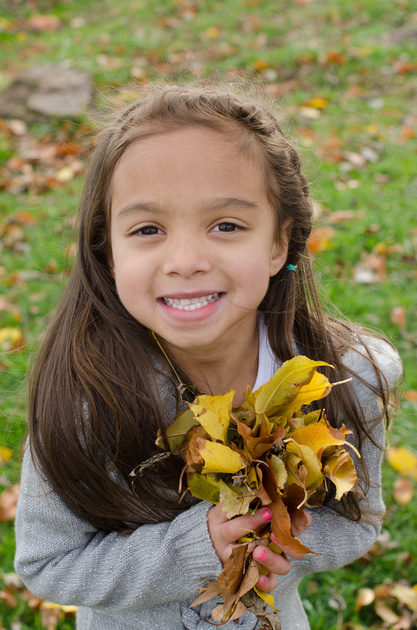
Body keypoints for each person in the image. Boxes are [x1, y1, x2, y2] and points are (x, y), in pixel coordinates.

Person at [14, 82, 402, 630]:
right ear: (107, 252)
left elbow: (357, 522)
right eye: (148, 229)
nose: (187, 259)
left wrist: (278, 538)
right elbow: (48, 564)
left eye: (226, 225)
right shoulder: (85, 400)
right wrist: (197, 548)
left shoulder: (350, 376)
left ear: (278, 243)